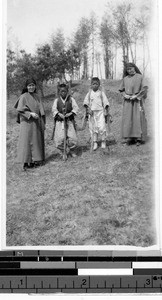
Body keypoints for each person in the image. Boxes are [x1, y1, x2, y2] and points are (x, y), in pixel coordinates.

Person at [14, 78, 46, 170]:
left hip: (36, 122)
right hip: (26, 122)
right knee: (26, 142)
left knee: (36, 141)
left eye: (33, 85)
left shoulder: (37, 96)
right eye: (29, 85)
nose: (31, 87)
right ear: (26, 87)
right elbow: (20, 109)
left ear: (35, 86)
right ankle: (25, 162)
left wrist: (42, 120)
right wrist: (30, 114)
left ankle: (34, 161)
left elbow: (41, 109)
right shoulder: (23, 96)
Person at [119, 62, 148, 146]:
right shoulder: (125, 79)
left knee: (138, 118)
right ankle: (129, 138)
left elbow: (145, 88)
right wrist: (125, 95)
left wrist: (136, 96)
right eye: (127, 69)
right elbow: (121, 90)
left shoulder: (140, 77)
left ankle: (139, 138)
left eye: (131, 68)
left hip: (137, 101)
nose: (129, 70)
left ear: (134, 68)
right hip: (128, 101)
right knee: (128, 119)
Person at [52, 83, 79, 159]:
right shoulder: (57, 100)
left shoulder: (71, 99)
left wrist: (70, 113)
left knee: (72, 137)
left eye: (64, 91)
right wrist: (58, 114)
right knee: (60, 138)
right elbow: (54, 109)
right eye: (61, 91)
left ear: (67, 91)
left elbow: (76, 108)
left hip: (69, 121)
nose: (63, 93)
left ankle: (72, 150)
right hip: (60, 122)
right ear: (59, 92)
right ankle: (62, 151)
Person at [83, 77, 110, 151]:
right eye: (93, 84)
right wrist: (88, 109)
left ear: (99, 85)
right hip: (92, 113)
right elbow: (86, 102)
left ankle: (103, 141)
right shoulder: (89, 94)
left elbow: (105, 102)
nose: (95, 85)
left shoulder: (101, 93)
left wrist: (106, 109)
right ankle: (95, 142)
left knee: (101, 127)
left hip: (100, 112)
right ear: (91, 85)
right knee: (93, 128)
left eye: (96, 84)